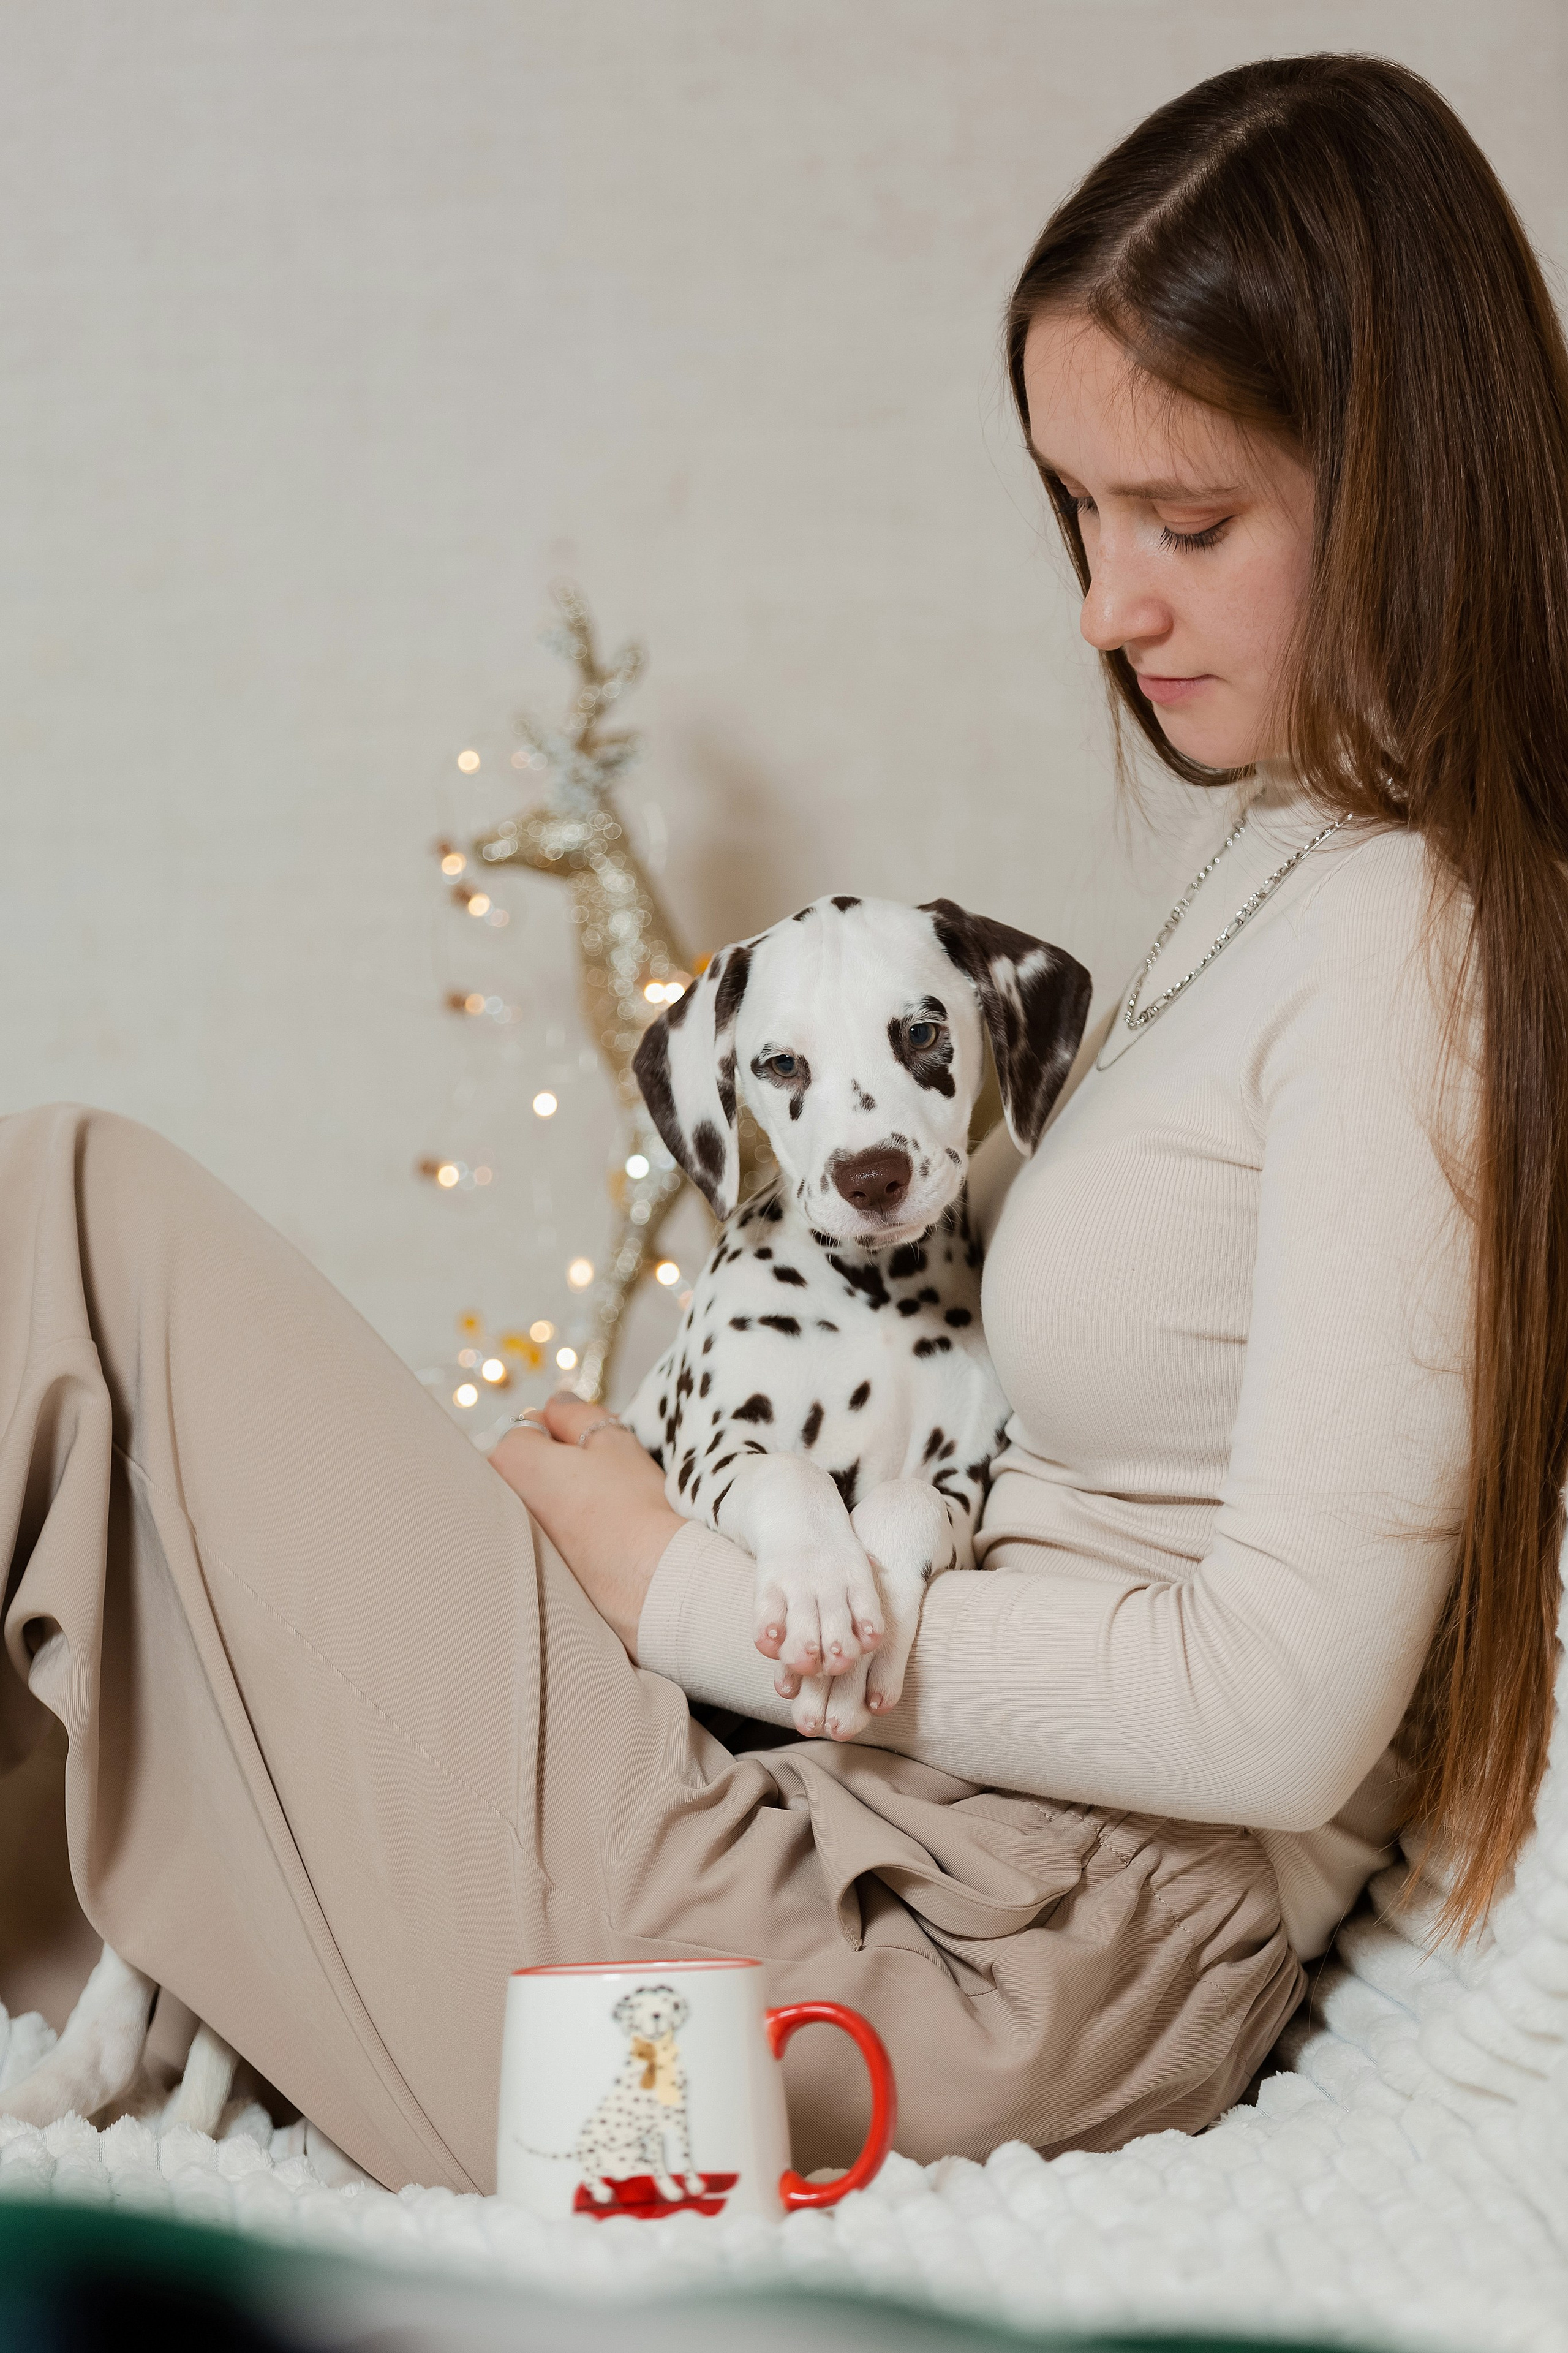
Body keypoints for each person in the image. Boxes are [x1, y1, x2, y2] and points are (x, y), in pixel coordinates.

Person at [3, 53, 1564, 2196]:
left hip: (969, 1949)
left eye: (1188, 525)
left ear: (1407, 477)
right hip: (884, 1831)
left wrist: (671, 1584)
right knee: (121, 1531)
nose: (1111, 606)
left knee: (66, 1214)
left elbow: (1279, 1705)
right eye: (1082, 515)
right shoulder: (1307, 859)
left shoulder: (1421, 936)